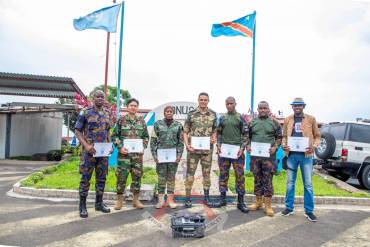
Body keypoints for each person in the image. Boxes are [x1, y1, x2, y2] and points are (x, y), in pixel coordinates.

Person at [281, 97, 320, 222]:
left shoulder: (311, 119)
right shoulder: (288, 120)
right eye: (295, 105)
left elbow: (317, 136)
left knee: (308, 184)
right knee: (290, 183)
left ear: (304, 106)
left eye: (299, 105)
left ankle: (309, 211)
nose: (297, 107)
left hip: (306, 156)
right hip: (291, 155)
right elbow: (284, 137)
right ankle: (289, 207)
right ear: (292, 107)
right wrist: (284, 145)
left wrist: (313, 147)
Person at [75, 90, 111, 218]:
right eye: (98, 96)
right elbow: (77, 131)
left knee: (101, 178)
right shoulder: (85, 112)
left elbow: (108, 131)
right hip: (88, 152)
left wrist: (110, 145)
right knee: (85, 178)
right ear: (93, 98)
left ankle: (99, 204)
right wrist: (86, 145)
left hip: (103, 153)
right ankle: (82, 206)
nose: (100, 98)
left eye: (102, 97)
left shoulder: (107, 113)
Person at [112, 98, 149, 210]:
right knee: (121, 178)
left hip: (137, 157)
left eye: (135, 105)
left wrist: (143, 146)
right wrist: (119, 147)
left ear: (137, 107)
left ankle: (135, 200)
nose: (133, 107)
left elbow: (146, 136)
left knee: (137, 178)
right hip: (124, 156)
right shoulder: (121, 120)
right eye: (131, 105)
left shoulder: (141, 121)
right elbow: (114, 136)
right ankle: (119, 201)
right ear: (127, 107)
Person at [247, 101, 282, 216]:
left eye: (265, 108)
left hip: (269, 158)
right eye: (260, 108)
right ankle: (258, 202)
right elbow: (247, 137)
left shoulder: (274, 123)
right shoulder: (252, 122)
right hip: (256, 157)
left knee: (268, 180)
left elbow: (279, 138)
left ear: (268, 109)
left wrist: (275, 147)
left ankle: (268, 205)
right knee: (257, 179)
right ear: (258, 109)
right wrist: (247, 146)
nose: (262, 110)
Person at [183, 92, 217, 208]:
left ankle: (206, 198)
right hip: (193, 150)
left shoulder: (213, 114)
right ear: (198, 100)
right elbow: (185, 132)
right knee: (190, 174)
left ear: (208, 101)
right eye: (201, 99)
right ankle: (188, 198)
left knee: (206, 174)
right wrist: (187, 145)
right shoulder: (191, 114)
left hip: (207, 151)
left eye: (205, 100)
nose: (203, 101)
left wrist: (214, 137)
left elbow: (215, 130)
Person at [216, 97, 249, 213]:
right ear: (225, 105)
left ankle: (241, 202)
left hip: (237, 152)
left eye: (231, 103)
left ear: (235, 104)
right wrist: (218, 145)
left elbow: (245, 135)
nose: (229, 105)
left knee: (240, 176)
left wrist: (242, 148)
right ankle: (222, 198)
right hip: (224, 152)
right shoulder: (222, 118)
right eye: (227, 104)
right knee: (223, 175)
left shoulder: (240, 118)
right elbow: (219, 133)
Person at [150, 106, 184, 209]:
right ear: (164, 113)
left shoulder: (178, 125)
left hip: (173, 158)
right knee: (161, 178)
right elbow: (153, 141)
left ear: (173, 113)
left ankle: (170, 200)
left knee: (171, 178)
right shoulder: (157, 124)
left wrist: (179, 155)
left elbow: (180, 142)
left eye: (170, 111)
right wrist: (155, 155)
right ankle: (160, 201)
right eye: (167, 111)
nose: (169, 113)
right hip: (161, 157)